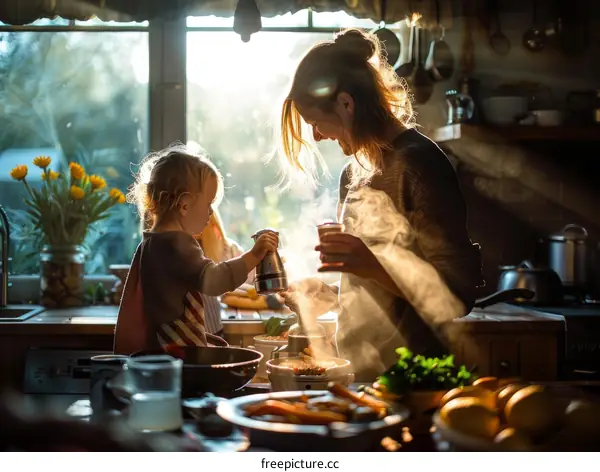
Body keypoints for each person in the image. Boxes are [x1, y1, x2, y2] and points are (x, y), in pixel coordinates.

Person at [275, 29, 484, 380]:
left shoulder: (418, 165)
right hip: (361, 372)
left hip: (413, 377)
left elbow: (456, 295)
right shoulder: (354, 172)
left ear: (345, 103)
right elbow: (372, 288)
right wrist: (324, 294)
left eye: (315, 123)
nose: (317, 136)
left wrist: (369, 263)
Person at [113, 144, 278, 355]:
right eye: (208, 203)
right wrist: (253, 256)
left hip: (162, 353)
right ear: (184, 205)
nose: (210, 212)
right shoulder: (177, 244)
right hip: (180, 357)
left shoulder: (152, 242)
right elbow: (214, 280)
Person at [194, 209, 254, 337]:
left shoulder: (228, 248)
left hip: (213, 328)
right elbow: (220, 282)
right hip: (204, 333)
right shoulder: (191, 254)